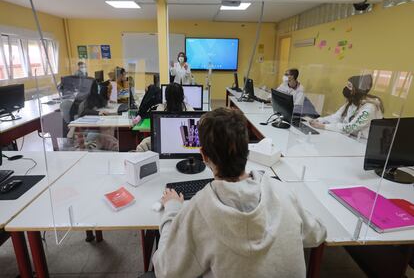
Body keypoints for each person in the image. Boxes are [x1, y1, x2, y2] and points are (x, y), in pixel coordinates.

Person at [152, 108, 327, 278]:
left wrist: (172, 211)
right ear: (248, 150)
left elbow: (166, 271)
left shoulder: (200, 209)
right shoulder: (282, 191)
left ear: (204, 156)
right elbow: (317, 234)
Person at [310, 74, 384, 139]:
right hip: (349, 138)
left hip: (361, 144)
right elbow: (336, 117)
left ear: (358, 89)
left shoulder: (370, 107)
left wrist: (323, 126)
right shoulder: (352, 102)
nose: (346, 88)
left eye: (349, 86)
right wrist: (319, 120)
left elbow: (350, 128)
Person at [136, 83, 193, 152]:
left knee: (142, 146)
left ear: (165, 97)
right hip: (184, 144)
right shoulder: (190, 110)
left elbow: (156, 133)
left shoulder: (160, 109)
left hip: (163, 142)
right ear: (182, 97)